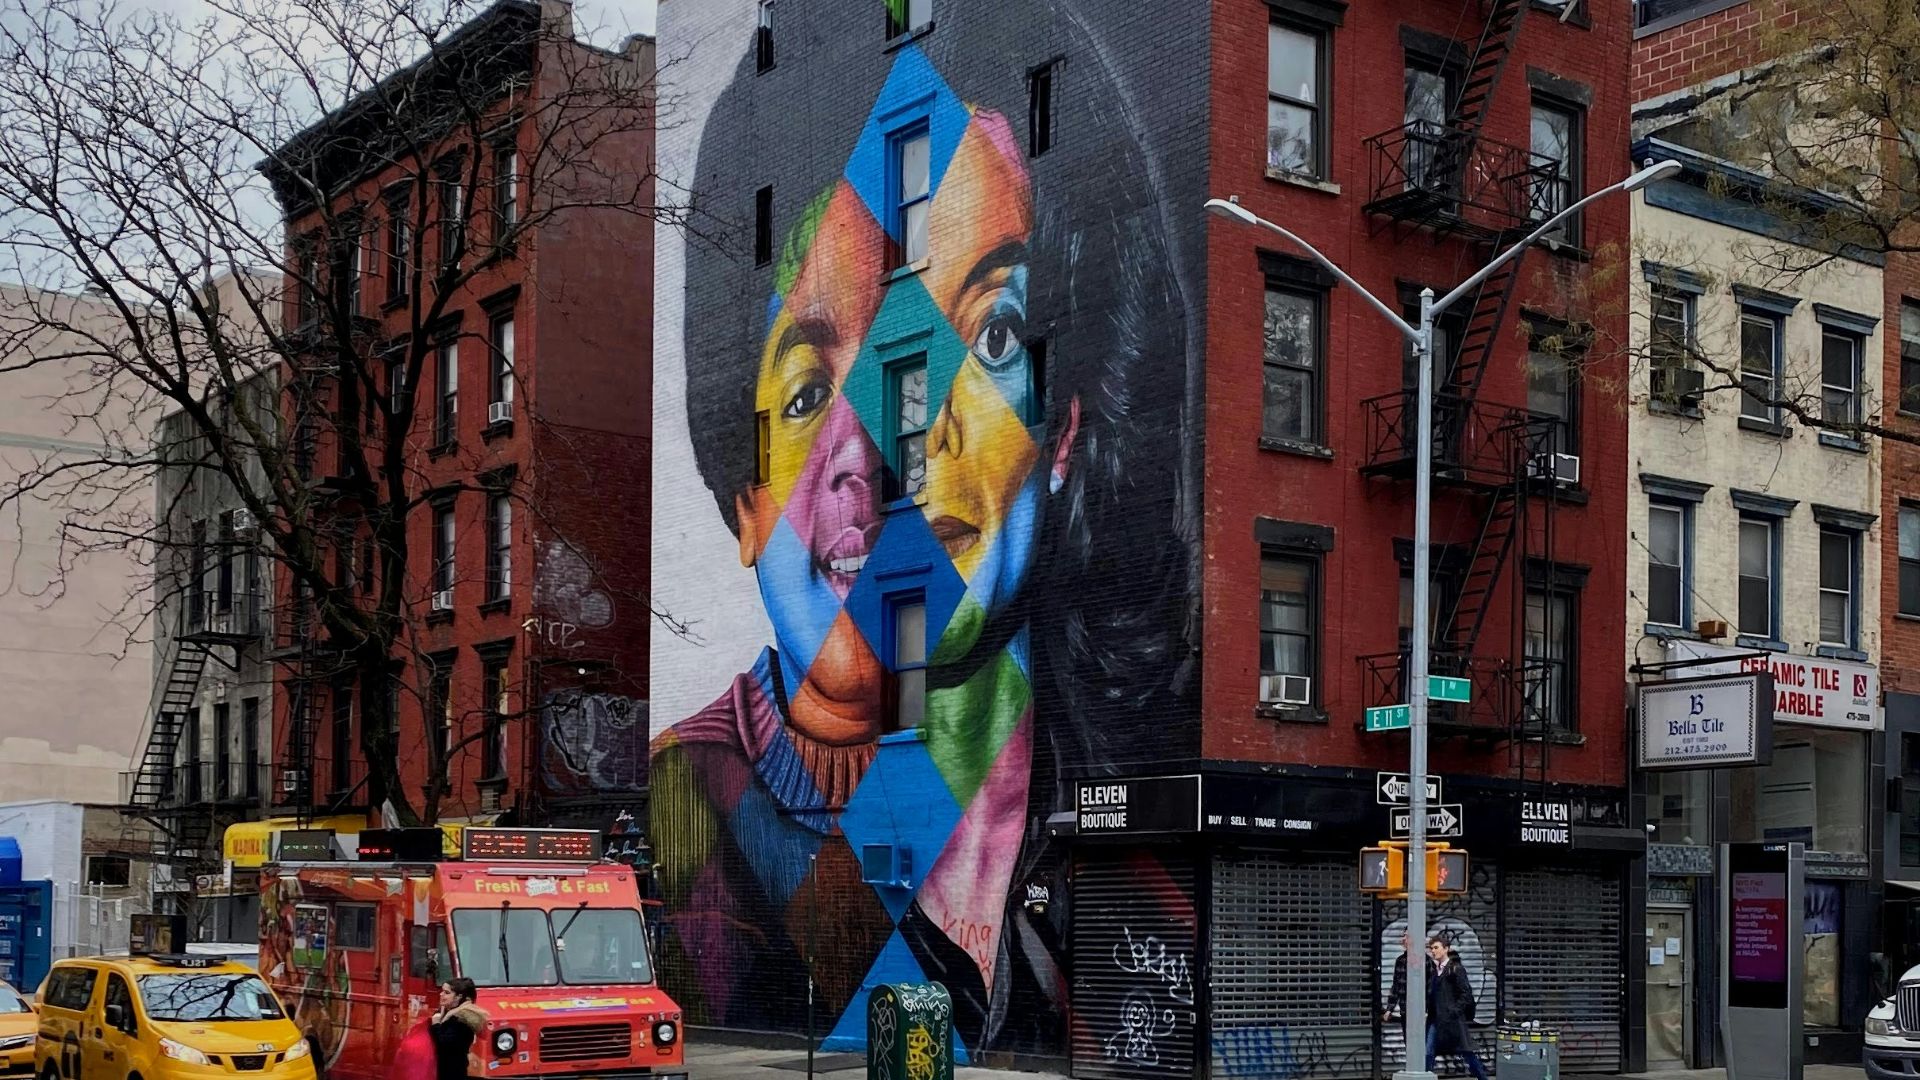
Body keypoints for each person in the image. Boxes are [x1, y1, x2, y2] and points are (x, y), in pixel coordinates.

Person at [649, 0, 1195, 1057]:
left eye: (987, 333)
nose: (887, 452)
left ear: (1066, 424)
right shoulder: (697, 818)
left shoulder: (1141, 834)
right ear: (744, 501)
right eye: (808, 392)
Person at [1426, 939, 1492, 1080]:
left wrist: (1454, 1011)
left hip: (1453, 1020)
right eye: (1431, 948)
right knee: (1428, 1052)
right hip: (1436, 1019)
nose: (1433, 951)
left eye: (1436, 947)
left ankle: (1482, 1078)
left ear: (1446, 949)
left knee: (1467, 1052)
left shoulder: (1455, 969)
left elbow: (1466, 993)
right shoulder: (1434, 971)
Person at [428, 979, 486, 1080]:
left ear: (459, 997)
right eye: (442, 991)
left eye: (447, 993)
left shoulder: (462, 1020)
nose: (441, 994)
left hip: (452, 1073)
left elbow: (444, 1044)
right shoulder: (447, 1013)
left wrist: (436, 1024)